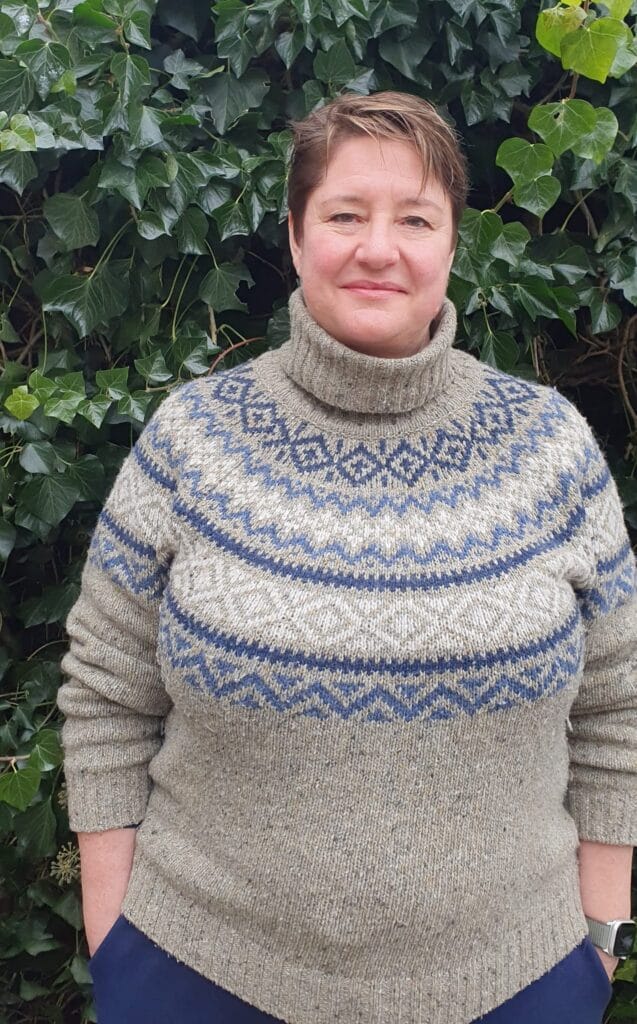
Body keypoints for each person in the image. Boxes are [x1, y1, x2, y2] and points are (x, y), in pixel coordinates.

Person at [57, 91, 637, 1024]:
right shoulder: (193, 440)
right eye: (343, 215)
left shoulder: (548, 447)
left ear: (451, 243)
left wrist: (600, 941)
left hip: (514, 981)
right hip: (197, 973)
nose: (378, 248)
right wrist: (114, 940)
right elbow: (106, 694)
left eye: (414, 218)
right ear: (294, 237)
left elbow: (617, 706)